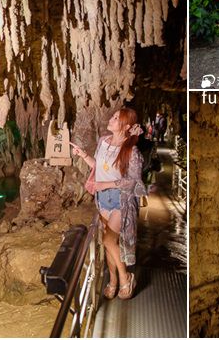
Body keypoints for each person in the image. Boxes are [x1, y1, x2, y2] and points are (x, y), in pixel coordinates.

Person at [70, 107, 147, 301]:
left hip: (121, 199)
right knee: (109, 245)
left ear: (126, 126)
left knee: (108, 240)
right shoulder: (103, 141)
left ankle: (125, 277)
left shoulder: (131, 151)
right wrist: (82, 155)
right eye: (113, 116)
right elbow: (98, 165)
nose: (111, 119)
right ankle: (112, 281)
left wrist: (106, 183)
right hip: (102, 198)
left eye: (115, 118)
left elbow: (134, 182)